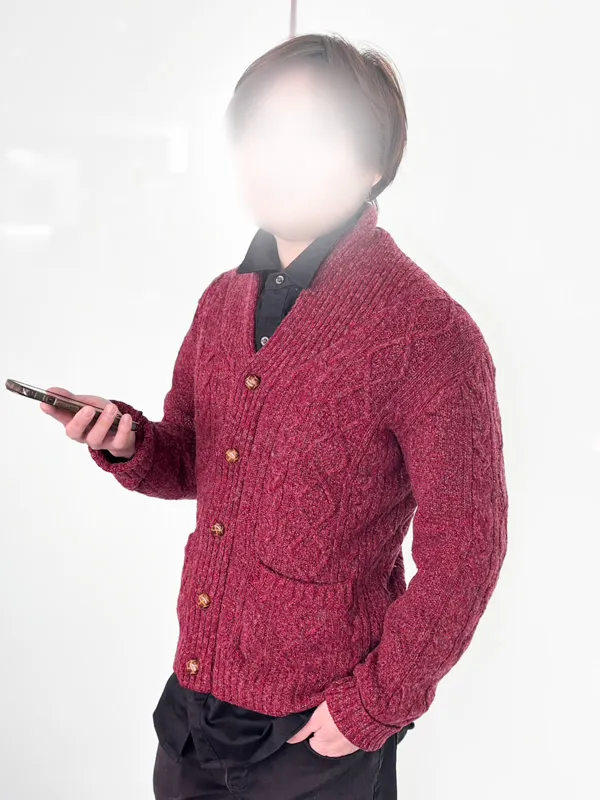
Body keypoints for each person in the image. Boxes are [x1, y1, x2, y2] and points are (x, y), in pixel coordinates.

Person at [41, 32, 508, 800]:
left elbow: (468, 551)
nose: (278, 157)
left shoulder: (428, 332)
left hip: (316, 733)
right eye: (261, 132)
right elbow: (192, 457)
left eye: (314, 134)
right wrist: (128, 442)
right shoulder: (223, 300)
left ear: (372, 161)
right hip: (193, 709)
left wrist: (375, 706)